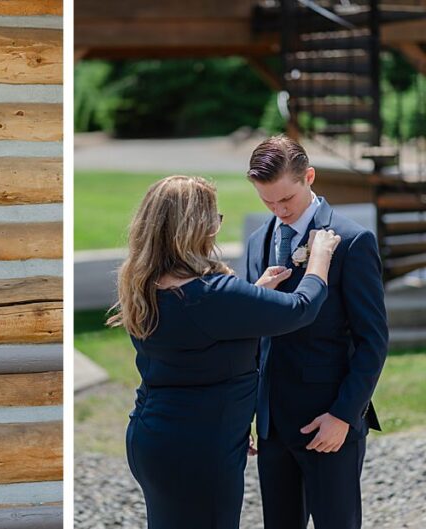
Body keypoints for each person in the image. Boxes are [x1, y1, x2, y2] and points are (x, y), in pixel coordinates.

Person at [108, 175, 340, 529]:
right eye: (214, 219)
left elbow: (198, 340)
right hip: (199, 446)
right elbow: (300, 308)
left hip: (152, 435)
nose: (216, 228)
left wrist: (255, 293)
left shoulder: (146, 283)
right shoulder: (210, 293)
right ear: (195, 227)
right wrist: (319, 259)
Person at [244, 136, 388, 529]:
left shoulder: (352, 241)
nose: (279, 210)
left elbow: (373, 340)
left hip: (328, 421)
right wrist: (246, 416)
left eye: (286, 199)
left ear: (308, 177)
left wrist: (343, 415)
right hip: (272, 427)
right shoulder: (258, 241)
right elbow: (254, 337)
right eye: (268, 202)